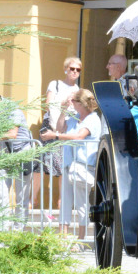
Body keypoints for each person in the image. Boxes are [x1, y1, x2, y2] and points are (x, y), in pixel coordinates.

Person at [42, 88, 102, 240]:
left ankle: (81, 239)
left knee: (82, 203)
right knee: (65, 201)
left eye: (73, 100)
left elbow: (79, 136)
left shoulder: (93, 119)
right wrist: (63, 110)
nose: (71, 103)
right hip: (69, 165)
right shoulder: (75, 117)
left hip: (83, 166)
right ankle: (63, 238)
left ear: (80, 103)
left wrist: (55, 135)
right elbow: (60, 128)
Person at [0, 89, 35, 230]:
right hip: (4, 152)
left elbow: (12, 134)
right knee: (1, 195)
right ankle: (2, 231)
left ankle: (18, 232)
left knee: (21, 197)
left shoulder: (12, 109)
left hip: (22, 152)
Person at [42, 57, 83, 179]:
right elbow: (47, 105)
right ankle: (35, 192)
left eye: (78, 69)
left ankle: (62, 192)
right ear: (66, 69)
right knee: (43, 162)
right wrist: (63, 103)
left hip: (68, 126)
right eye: (72, 68)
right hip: (52, 125)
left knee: (64, 164)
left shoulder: (78, 90)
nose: (75, 71)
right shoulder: (55, 84)